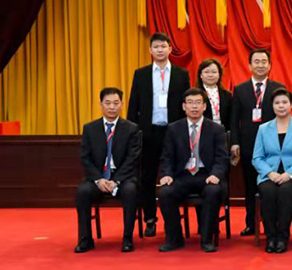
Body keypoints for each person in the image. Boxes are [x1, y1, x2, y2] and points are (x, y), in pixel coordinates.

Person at [127, 32, 190, 237]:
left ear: (170, 49)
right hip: (149, 132)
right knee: (147, 177)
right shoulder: (141, 74)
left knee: (176, 175)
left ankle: (174, 219)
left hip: (174, 133)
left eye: (163, 46)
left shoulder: (181, 74)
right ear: (150, 50)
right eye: (156, 47)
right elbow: (133, 105)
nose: (160, 50)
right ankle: (150, 219)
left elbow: (187, 105)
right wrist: (133, 133)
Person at [157, 88, 229, 253]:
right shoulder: (174, 129)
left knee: (213, 191)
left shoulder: (216, 129)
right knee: (165, 192)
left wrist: (216, 174)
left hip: (206, 175)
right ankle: (175, 239)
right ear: (184, 106)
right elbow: (167, 156)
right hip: (183, 175)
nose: (194, 107)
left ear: (204, 106)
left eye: (198, 103)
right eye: (190, 103)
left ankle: (207, 239)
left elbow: (222, 158)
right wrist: (166, 175)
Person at [75, 87, 142, 253]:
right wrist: (99, 179)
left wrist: (116, 180)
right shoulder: (90, 128)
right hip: (98, 178)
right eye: (108, 103)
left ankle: (127, 238)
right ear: (100, 104)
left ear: (122, 104)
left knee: (131, 191)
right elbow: (85, 158)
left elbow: (132, 159)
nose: (112, 107)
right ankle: (85, 239)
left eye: (116, 103)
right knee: (82, 192)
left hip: (123, 177)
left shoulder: (131, 128)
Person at [230, 48, 285, 236]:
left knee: (272, 185)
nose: (260, 65)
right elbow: (234, 120)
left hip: (273, 146)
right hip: (248, 145)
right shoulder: (240, 90)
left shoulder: (278, 88)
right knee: (250, 186)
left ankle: (274, 223)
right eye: (256, 62)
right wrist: (235, 142)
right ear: (249, 65)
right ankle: (251, 223)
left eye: (264, 62)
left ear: (269, 66)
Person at [252, 88, 292, 253]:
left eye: (285, 102)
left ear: (291, 104)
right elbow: (257, 157)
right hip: (269, 175)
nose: (281, 106)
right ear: (272, 106)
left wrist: (289, 174)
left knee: (285, 191)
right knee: (268, 191)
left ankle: (282, 237)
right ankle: (270, 236)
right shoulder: (264, 129)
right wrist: (270, 173)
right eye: (277, 103)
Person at [196, 58, 232, 130]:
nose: (210, 75)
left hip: (223, 132)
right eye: (206, 72)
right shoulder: (195, 95)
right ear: (201, 75)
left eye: (214, 72)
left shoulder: (227, 95)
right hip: (202, 132)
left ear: (219, 75)